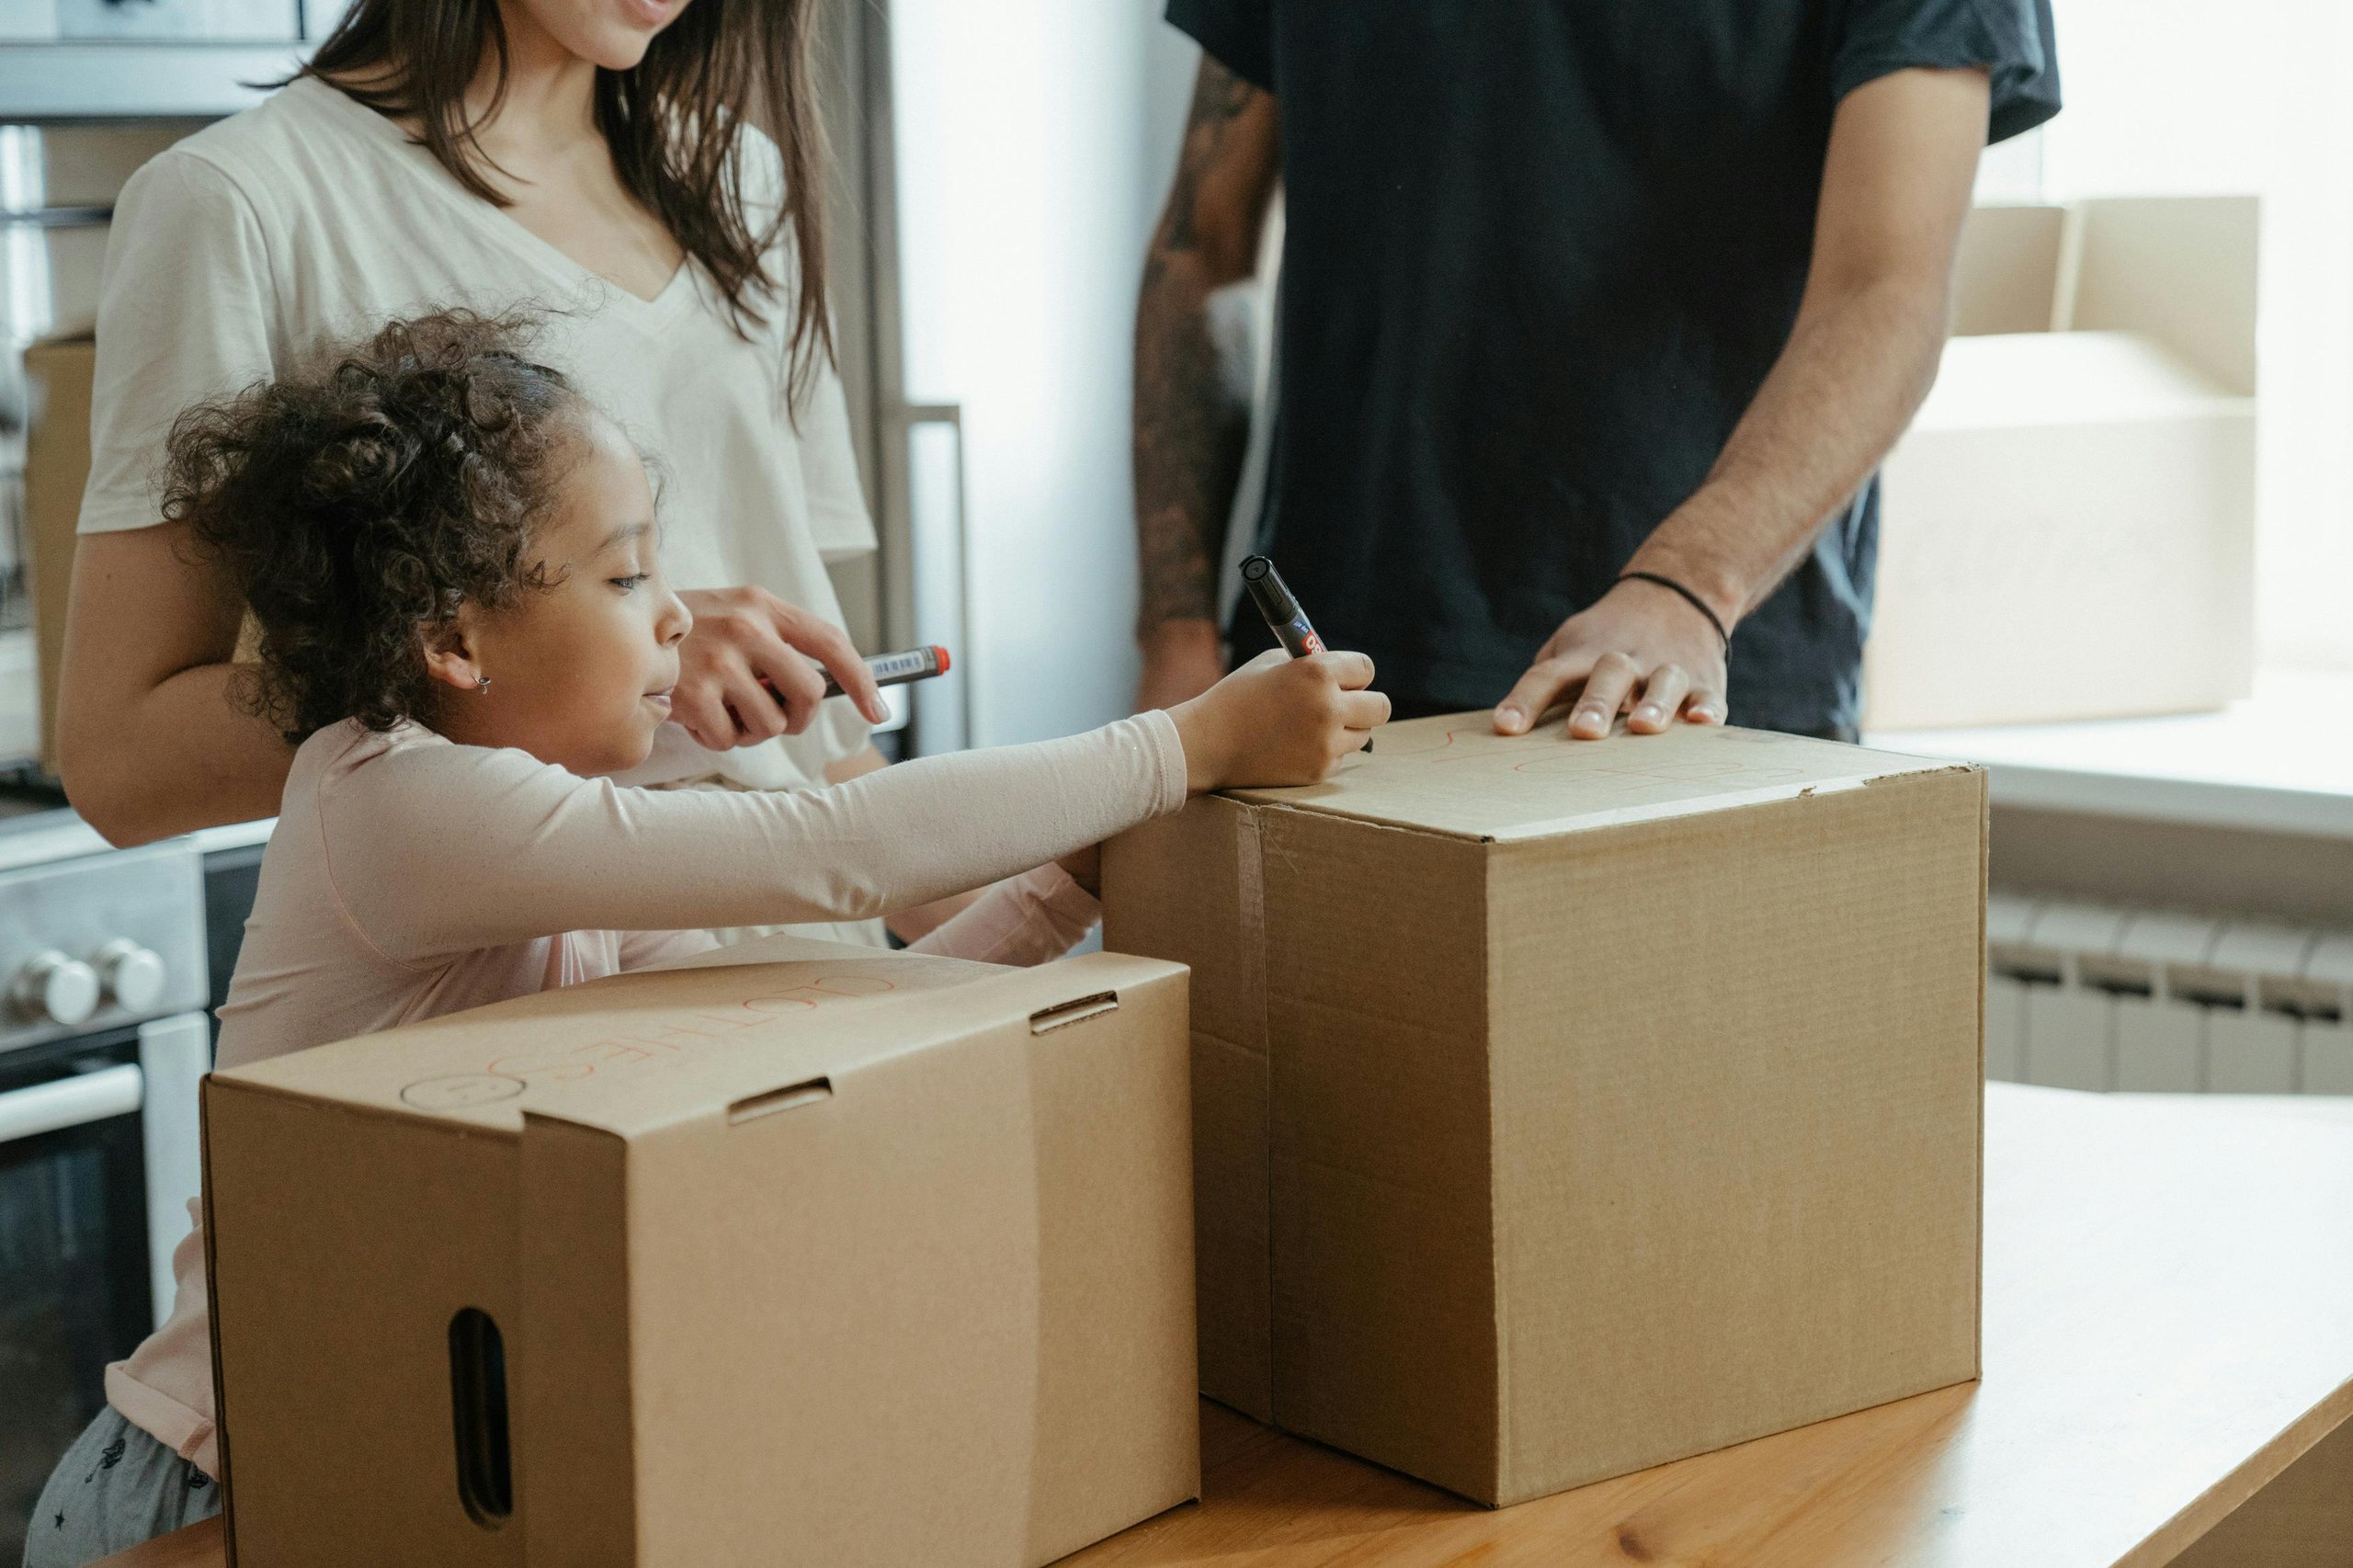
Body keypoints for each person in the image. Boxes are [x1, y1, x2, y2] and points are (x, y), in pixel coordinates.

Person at [21, 310, 1387, 1567]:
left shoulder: (546, 864)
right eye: (626, 578)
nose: (681, 613)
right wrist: (1184, 743)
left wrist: (1063, 885)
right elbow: (826, 855)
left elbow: (820, 1028)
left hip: (408, 1461)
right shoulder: (388, 799)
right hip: (209, 1483)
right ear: (453, 640)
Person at [57, 0, 904, 945]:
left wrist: (1041, 889)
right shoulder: (241, 199)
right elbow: (122, 763)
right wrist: (580, 662)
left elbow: (817, 748)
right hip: (520, 1010)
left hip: (814, 976)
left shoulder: (736, 178)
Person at [1131, 0, 2061, 744]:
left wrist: (1685, 585)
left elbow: (1887, 290)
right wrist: (1173, 638)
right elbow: (1200, 249)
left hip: (1688, 690)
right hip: (1322, 687)